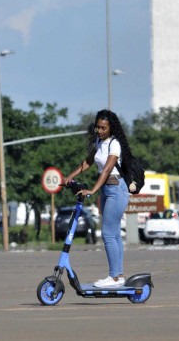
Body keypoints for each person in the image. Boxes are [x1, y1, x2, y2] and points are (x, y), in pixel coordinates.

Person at [64, 109, 131, 288]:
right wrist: (69, 177)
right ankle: (119, 275)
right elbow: (87, 162)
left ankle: (114, 277)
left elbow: (108, 169)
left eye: (103, 128)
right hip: (108, 190)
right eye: (97, 127)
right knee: (114, 234)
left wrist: (92, 189)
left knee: (108, 233)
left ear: (111, 128)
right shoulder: (98, 142)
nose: (100, 131)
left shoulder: (114, 144)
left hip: (117, 189)